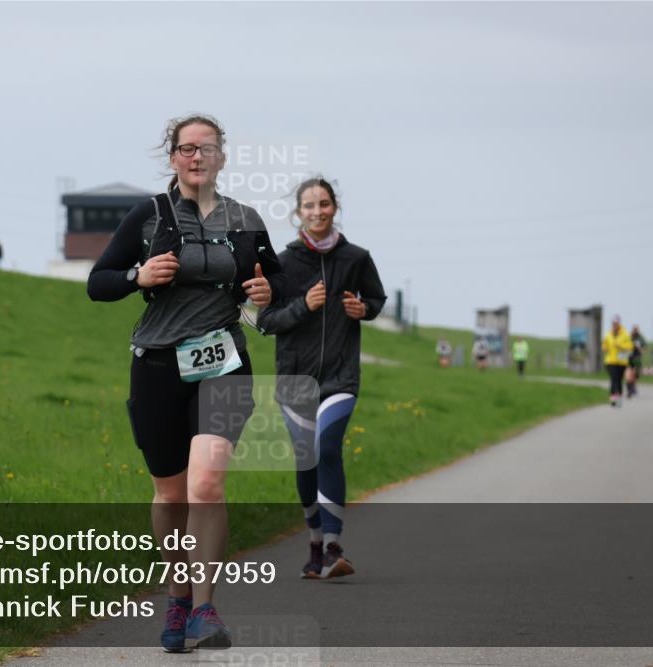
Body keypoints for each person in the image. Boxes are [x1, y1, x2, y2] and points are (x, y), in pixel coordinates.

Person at [86, 115, 285, 651]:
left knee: (206, 485)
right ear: (171, 157)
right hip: (156, 367)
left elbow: (277, 288)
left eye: (208, 148)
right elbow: (97, 283)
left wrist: (264, 295)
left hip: (223, 365)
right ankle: (177, 597)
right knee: (171, 494)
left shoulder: (245, 220)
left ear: (222, 157)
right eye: (186, 149)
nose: (197, 157)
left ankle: (204, 608)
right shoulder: (147, 215)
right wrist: (137, 276)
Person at [257, 177, 386, 580]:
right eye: (309, 206)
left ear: (335, 208)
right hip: (295, 379)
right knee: (306, 459)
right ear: (298, 212)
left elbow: (376, 299)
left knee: (326, 446)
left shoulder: (357, 258)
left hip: (340, 377)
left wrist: (362, 310)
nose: (317, 212)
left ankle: (332, 546)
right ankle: (314, 542)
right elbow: (267, 321)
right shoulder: (284, 262)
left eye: (324, 204)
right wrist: (304, 306)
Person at [601, 315, 633, 407]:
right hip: (610, 361)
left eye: (616, 323)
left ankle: (618, 399)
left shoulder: (625, 334)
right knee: (614, 378)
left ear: (619, 323)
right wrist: (604, 348)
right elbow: (604, 344)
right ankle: (613, 398)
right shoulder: (608, 334)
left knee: (618, 380)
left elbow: (630, 346)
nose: (614, 325)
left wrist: (621, 346)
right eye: (613, 323)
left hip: (621, 361)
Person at [625, 325, 646, 398]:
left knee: (634, 375)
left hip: (637, 358)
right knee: (628, 375)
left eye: (636, 329)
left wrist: (640, 349)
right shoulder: (629, 337)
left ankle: (633, 388)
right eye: (634, 329)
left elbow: (644, 348)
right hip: (629, 358)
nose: (635, 330)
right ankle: (629, 390)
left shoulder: (641, 338)